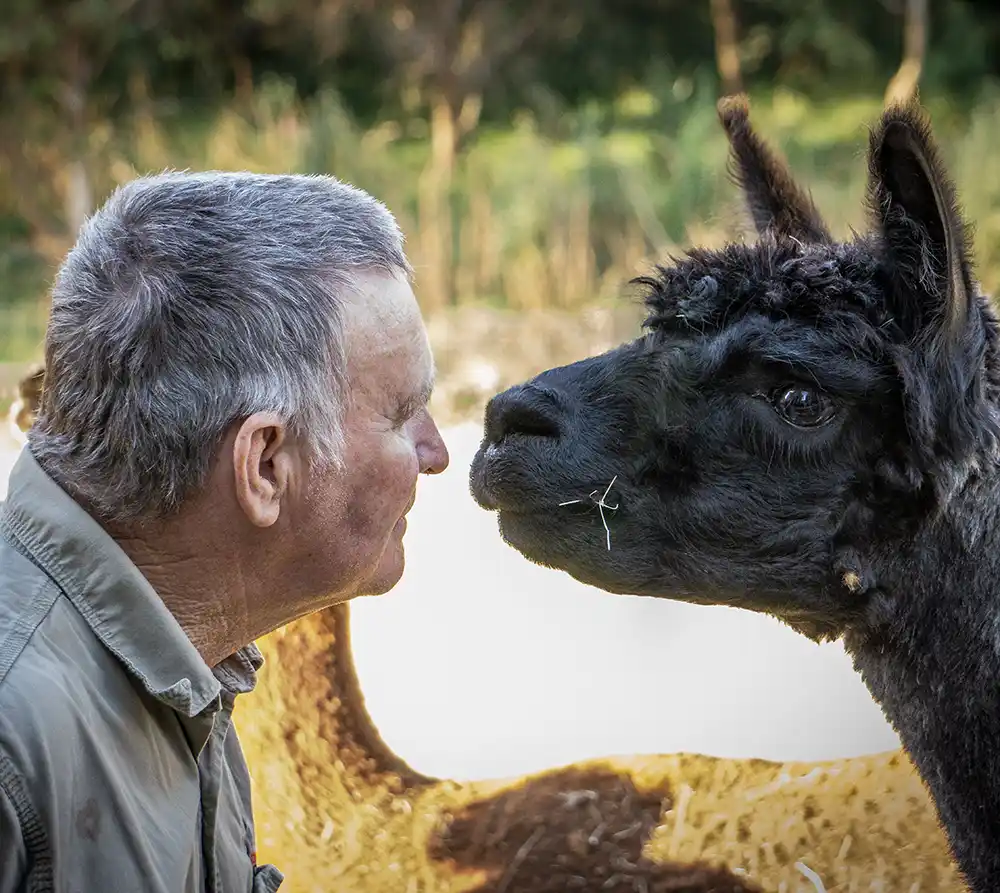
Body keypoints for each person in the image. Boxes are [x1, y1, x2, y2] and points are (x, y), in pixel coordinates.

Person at [0, 171, 449, 891]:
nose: (437, 452)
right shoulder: (18, 735)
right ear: (265, 465)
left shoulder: (184, 657)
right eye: (402, 414)